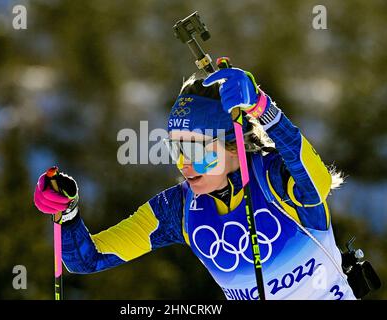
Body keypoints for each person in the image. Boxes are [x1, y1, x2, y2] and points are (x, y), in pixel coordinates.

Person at [33, 67, 356, 300]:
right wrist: (69, 215)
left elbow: (319, 182)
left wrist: (262, 107)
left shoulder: (275, 178)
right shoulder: (179, 209)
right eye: (177, 148)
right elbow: (86, 260)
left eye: (197, 149)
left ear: (234, 144)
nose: (184, 163)